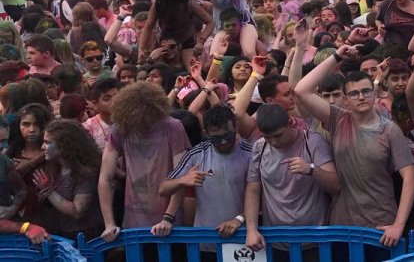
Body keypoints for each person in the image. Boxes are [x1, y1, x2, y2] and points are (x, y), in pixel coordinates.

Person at [294, 39, 414, 248]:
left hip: (380, 226)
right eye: (353, 93)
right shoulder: (338, 119)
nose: (360, 97)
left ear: (374, 93)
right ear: (345, 98)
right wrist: (336, 56)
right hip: (343, 225)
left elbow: (410, 177)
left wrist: (399, 224)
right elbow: (301, 90)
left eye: (366, 91)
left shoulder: (390, 129)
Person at [99, 82, 192, 241]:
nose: (142, 125)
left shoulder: (173, 127)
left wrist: (168, 218)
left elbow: (181, 177)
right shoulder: (120, 129)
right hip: (133, 220)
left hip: (170, 223)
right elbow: (105, 179)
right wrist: (109, 223)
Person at [243, 103, 339, 252]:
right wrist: (251, 230)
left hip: (315, 241)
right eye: (267, 137)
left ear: (290, 122)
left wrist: (311, 169)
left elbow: (335, 186)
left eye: (278, 135)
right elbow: (253, 190)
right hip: (274, 241)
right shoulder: (260, 147)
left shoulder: (312, 141)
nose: (273, 142)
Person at [153, 105, 252, 239]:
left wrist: (238, 220)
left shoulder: (251, 154)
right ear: (206, 134)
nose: (223, 141)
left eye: (228, 135)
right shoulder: (197, 154)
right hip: (205, 239)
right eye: (216, 138)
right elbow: (163, 189)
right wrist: (183, 180)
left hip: (242, 237)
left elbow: (261, 197)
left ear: (236, 127)